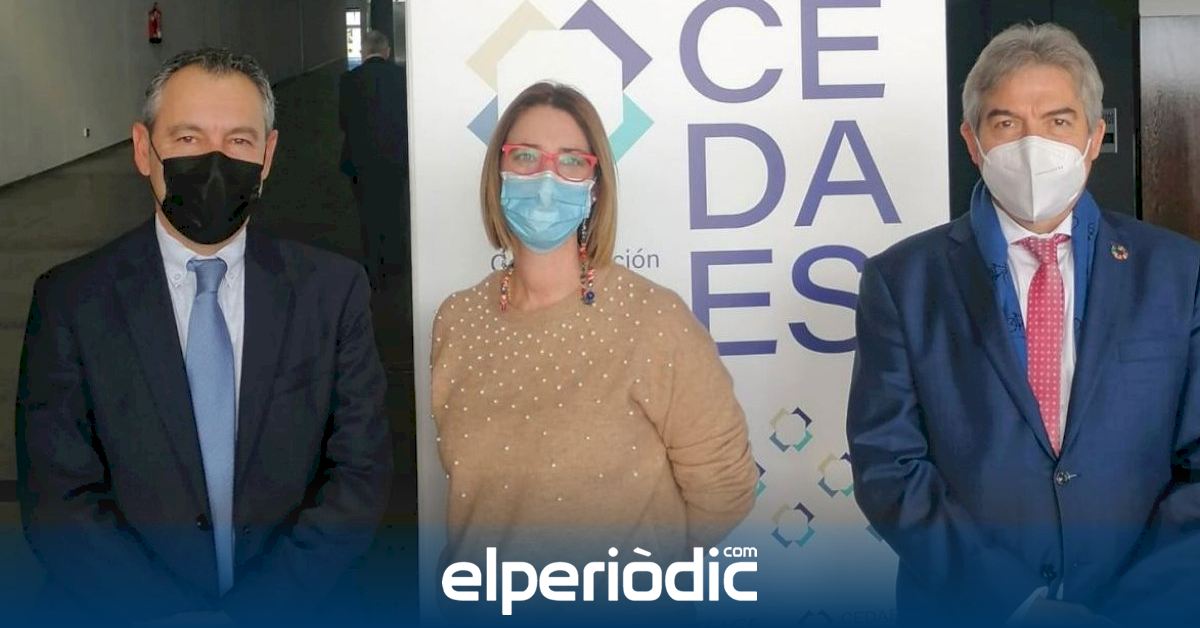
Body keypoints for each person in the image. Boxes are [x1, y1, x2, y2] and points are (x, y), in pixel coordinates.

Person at [15, 48, 392, 624]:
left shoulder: (333, 292)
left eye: (239, 140)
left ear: (267, 156)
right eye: (188, 138)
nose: (215, 162)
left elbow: (358, 477)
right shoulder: (70, 301)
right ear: (143, 149)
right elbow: (57, 498)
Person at [848, 22, 1200, 624]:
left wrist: (1130, 609)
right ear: (973, 141)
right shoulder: (902, 281)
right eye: (1006, 123)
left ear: (1094, 138)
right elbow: (888, 465)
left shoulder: (1177, 272)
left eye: (1059, 121)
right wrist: (1015, 603)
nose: (1034, 145)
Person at [429, 82, 757, 614]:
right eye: (526, 156)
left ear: (595, 186)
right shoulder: (458, 321)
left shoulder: (653, 319)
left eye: (571, 162)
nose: (546, 179)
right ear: (497, 173)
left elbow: (725, 488)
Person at [339, 29, 409, 292]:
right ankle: (396, 264)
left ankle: (373, 268)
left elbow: (343, 121)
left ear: (363, 52)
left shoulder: (349, 80)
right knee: (394, 209)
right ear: (387, 51)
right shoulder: (402, 77)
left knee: (368, 214)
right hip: (395, 158)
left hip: (361, 161)